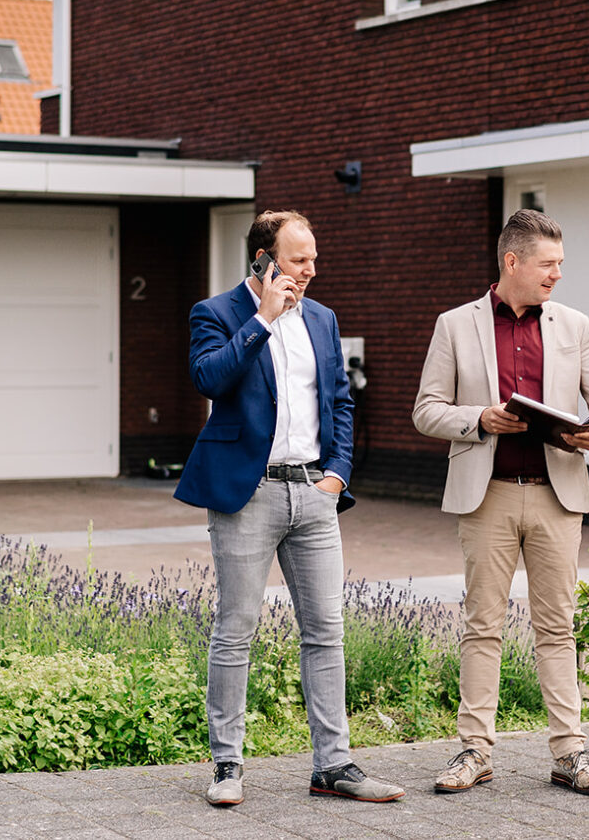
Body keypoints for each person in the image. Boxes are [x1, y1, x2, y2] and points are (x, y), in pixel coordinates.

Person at [175, 210, 404, 806]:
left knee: (326, 631)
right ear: (263, 260)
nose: (310, 270)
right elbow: (210, 379)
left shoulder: (323, 319)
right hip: (246, 493)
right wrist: (263, 320)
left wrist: (339, 473)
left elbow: (341, 402)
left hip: (313, 493)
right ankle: (228, 766)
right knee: (237, 629)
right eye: (298, 260)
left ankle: (333, 765)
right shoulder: (217, 313)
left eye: (313, 259)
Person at [413, 209, 589, 798]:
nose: (557, 274)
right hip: (488, 498)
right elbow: (427, 409)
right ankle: (475, 752)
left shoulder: (574, 324)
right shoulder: (455, 325)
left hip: (559, 497)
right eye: (548, 264)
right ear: (513, 262)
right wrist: (479, 418)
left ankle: (570, 754)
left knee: (557, 628)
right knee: (482, 626)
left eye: (560, 264)